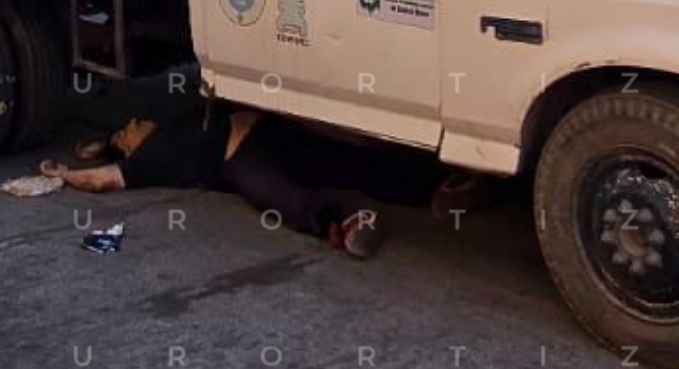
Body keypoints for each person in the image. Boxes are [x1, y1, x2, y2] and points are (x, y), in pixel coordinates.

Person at [41, 105, 458, 258]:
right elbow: (100, 181)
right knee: (279, 197)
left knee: (346, 162)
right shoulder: (147, 160)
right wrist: (64, 175)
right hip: (237, 157)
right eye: (128, 130)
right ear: (129, 149)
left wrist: (99, 144)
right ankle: (342, 225)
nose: (135, 123)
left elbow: (95, 146)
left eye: (133, 121)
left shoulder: (171, 122)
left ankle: (438, 186)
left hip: (266, 129)